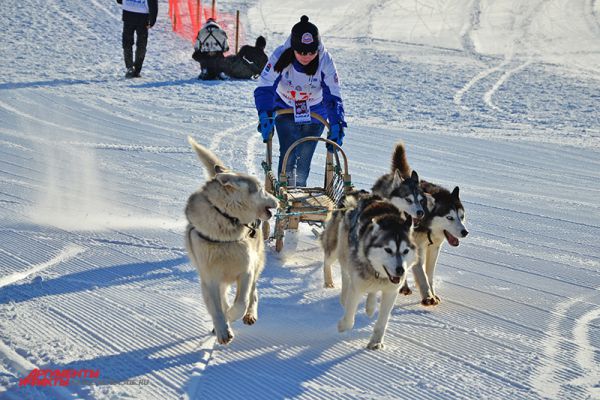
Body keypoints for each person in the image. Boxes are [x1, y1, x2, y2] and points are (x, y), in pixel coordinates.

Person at [254, 16, 346, 187]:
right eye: (302, 52)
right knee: (288, 155)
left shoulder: (325, 60)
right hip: (285, 109)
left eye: (312, 52)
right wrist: (265, 114)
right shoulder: (280, 55)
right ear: (293, 49)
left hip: (315, 113)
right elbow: (264, 87)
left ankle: (299, 197)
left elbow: (333, 95)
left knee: (304, 160)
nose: (307, 56)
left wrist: (337, 123)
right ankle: (285, 195)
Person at [116, 0, 158, 78]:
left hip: (128, 14)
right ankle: (137, 70)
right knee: (141, 44)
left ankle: (129, 67)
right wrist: (152, 21)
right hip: (142, 17)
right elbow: (153, 4)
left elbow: (119, 1)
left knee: (127, 43)